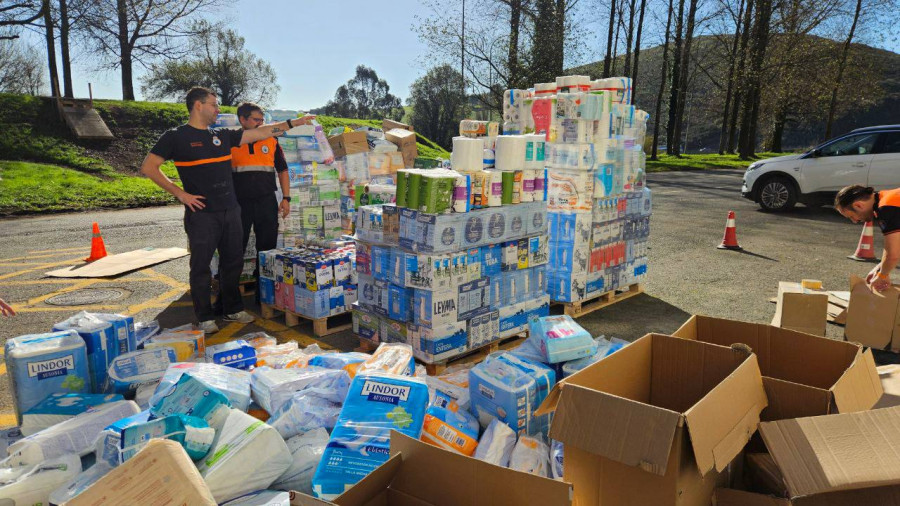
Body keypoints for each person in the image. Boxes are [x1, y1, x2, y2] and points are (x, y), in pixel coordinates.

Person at [140, 87, 312, 333]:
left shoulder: (221, 136)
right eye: (213, 104)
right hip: (202, 214)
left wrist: (294, 123)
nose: (218, 109)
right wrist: (180, 193)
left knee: (232, 263)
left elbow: (262, 132)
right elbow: (149, 167)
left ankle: (232, 308)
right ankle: (205, 316)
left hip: (231, 210)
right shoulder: (175, 137)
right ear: (198, 105)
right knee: (200, 267)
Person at [230, 102, 291, 286]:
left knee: (267, 248)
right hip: (239, 203)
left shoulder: (271, 140)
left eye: (262, 120)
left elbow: (283, 170)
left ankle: (263, 291)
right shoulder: (231, 141)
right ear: (242, 119)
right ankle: (229, 295)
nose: (261, 124)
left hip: (266, 200)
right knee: (234, 247)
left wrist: (286, 198)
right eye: (256, 120)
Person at [835, 184, 900, 292]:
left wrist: (882, 276)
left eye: (851, 216)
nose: (855, 221)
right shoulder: (887, 198)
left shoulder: (886, 207)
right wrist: (880, 268)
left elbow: (892, 255)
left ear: (858, 205)